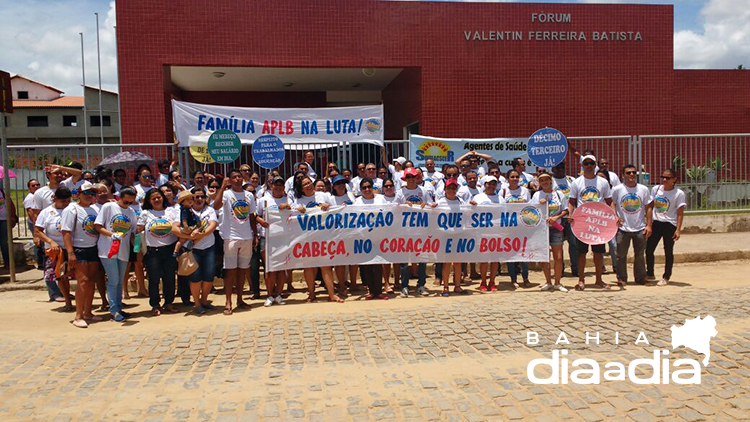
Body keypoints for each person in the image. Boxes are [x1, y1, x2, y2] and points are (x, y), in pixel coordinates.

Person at [293, 176, 344, 303]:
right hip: (306, 237)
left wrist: (328, 206)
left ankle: (331, 294)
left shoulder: (323, 195)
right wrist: (297, 210)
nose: (308, 185)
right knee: (308, 267)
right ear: (301, 188)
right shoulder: (298, 200)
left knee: (326, 266)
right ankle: (311, 294)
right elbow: (292, 214)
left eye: (309, 182)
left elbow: (334, 210)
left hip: (324, 236)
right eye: (305, 184)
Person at [214, 169, 258, 314]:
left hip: (247, 236)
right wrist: (222, 187)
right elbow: (216, 205)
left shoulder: (249, 195)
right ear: (230, 180)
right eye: (234, 177)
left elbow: (252, 216)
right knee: (230, 271)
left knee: (242, 270)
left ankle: (240, 299)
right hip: (231, 236)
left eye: (239, 176)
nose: (238, 179)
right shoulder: (226, 194)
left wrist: (255, 234)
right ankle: (228, 301)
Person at [568, 155, 613, 291]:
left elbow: (609, 201)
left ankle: (599, 280)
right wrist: (570, 214)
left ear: (595, 165)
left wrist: (614, 216)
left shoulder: (603, 182)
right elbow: (572, 201)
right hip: (582, 222)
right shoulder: (577, 182)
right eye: (586, 163)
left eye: (591, 163)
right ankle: (581, 280)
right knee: (581, 253)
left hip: (598, 222)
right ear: (582, 165)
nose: (588, 165)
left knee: (598, 253)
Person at [61, 182, 102, 327]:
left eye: (92, 193)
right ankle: (78, 315)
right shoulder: (71, 209)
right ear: (78, 194)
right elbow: (65, 232)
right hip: (79, 248)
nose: (89, 196)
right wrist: (70, 253)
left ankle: (88, 312)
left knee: (91, 281)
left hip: (93, 248)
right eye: (86, 193)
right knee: (82, 281)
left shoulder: (94, 210)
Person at [95, 187, 137, 322]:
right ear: (119, 198)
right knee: (113, 280)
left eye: (131, 202)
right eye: (126, 202)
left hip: (123, 250)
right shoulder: (108, 207)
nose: (128, 205)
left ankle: (118, 307)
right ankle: (113, 310)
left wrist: (137, 246)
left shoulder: (130, 212)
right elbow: (98, 226)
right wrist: (112, 235)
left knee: (120, 280)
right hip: (107, 249)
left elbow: (133, 233)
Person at [395, 167, 437, 297]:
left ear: (416, 178)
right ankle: (405, 286)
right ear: (405, 179)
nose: (411, 180)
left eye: (413, 177)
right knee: (404, 260)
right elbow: (394, 208)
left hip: (421, 230)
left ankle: (421, 284)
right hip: (405, 230)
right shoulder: (400, 192)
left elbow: (431, 205)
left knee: (422, 258)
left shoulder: (423, 191)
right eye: (408, 177)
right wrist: (402, 205)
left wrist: (428, 205)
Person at [138, 189, 179, 316]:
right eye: (153, 198)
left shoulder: (171, 211)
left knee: (170, 278)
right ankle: (155, 305)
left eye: (159, 197)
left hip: (169, 249)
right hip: (152, 251)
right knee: (154, 279)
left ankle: (168, 303)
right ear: (149, 201)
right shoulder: (145, 213)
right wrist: (136, 251)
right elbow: (138, 232)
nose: (157, 200)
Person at [611, 164, 652, 288]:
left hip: (639, 227)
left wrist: (649, 225)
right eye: (628, 173)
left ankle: (640, 277)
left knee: (639, 254)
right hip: (623, 228)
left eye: (634, 172)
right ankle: (622, 278)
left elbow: (648, 207)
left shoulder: (643, 189)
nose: (631, 175)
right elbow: (611, 204)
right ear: (623, 175)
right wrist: (615, 217)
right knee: (621, 255)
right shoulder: (617, 189)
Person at [35, 187, 74, 311]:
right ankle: (68, 301)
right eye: (63, 201)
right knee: (61, 276)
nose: (66, 204)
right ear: (55, 199)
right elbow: (38, 231)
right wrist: (51, 242)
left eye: (68, 201)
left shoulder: (73, 209)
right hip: (56, 251)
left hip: (73, 247)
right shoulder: (46, 212)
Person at [180, 187, 219, 313]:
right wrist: (190, 236)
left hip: (209, 247)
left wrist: (200, 235)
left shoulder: (210, 210)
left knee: (209, 276)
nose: (200, 199)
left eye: (202, 196)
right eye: (196, 197)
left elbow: (213, 224)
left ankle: (204, 300)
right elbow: (177, 228)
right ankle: (197, 304)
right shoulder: (184, 211)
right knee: (195, 278)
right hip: (192, 249)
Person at [646, 169, 686, 286]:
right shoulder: (656, 189)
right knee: (649, 249)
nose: (664, 180)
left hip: (670, 224)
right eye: (662, 177)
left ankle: (666, 276)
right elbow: (650, 206)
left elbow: (680, 213)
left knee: (668, 251)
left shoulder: (679, 193)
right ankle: (650, 273)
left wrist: (678, 229)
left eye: (668, 178)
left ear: (674, 179)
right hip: (656, 222)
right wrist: (649, 223)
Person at [255, 176, 291, 307]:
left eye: (281, 185)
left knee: (281, 268)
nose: (278, 187)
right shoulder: (263, 200)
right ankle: (270, 295)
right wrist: (261, 222)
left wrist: (288, 207)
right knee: (269, 269)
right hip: (267, 236)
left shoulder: (288, 200)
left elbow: (297, 213)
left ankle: (279, 294)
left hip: (283, 237)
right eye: (276, 185)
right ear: (271, 186)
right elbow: (255, 215)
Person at [352, 178, 388, 300]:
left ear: (373, 187)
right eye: (364, 188)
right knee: (367, 266)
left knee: (378, 265)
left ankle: (378, 291)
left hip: (379, 237)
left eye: (369, 187)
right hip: (364, 238)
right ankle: (371, 291)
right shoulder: (357, 202)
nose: (367, 189)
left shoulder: (380, 199)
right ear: (360, 189)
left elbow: (391, 210)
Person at [532, 173, 568, 292]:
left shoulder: (558, 194)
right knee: (544, 256)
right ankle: (548, 281)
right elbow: (531, 211)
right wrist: (539, 204)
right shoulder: (537, 195)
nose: (545, 182)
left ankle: (557, 282)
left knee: (558, 257)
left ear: (550, 180)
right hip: (542, 229)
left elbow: (565, 210)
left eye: (546, 179)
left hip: (556, 228)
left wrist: (556, 217)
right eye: (542, 180)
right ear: (539, 183)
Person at [437, 178, 468, 296]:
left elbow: (468, 212)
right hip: (445, 235)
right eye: (449, 188)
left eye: (454, 188)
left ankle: (457, 286)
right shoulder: (440, 202)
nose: (451, 190)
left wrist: (473, 206)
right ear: (445, 189)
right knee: (446, 262)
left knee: (458, 262)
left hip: (458, 235)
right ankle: (445, 287)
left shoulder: (461, 202)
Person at [473, 175, 504, 291]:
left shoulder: (501, 199)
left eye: (494, 184)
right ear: (484, 184)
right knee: (484, 258)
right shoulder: (478, 197)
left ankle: (492, 281)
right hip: (482, 232)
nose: (491, 186)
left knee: (495, 258)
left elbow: (505, 215)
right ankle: (483, 282)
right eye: (489, 183)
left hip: (497, 232)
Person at [504, 169, 531, 288]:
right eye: (512, 177)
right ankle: (513, 278)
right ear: (507, 179)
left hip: (523, 226)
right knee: (511, 254)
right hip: (509, 226)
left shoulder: (525, 191)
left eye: (516, 177)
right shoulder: (503, 191)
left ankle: (525, 277)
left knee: (524, 252)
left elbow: (530, 206)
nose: (515, 179)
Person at [330, 175, 357, 296]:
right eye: (338, 183)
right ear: (334, 186)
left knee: (354, 260)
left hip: (352, 231)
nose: (341, 185)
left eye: (343, 183)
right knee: (339, 261)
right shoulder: (330, 199)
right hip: (337, 234)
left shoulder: (350, 195)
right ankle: (341, 285)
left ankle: (353, 283)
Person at [551, 162, 578, 277]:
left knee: (573, 244)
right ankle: (559, 269)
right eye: (558, 167)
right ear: (553, 169)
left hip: (571, 217)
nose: (560, 169)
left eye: (562, 167)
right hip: (557, 218)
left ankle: (575, 269)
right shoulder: (550, 181)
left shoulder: (571, 180)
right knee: (558, 245)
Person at [597, 169, 618, 273]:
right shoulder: (595, 191)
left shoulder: (614, 190)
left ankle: (616, 267)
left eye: (602, 177)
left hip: (610, 222)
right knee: (599, 246)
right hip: (597, 221)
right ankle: (601, 267)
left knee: (613, 245)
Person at [379, 178, 398, 292]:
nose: (388, 188)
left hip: (397, 231)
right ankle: (386, 283)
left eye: (390, 185)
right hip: (384, 232)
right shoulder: (380, 198)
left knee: (397, 259)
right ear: (383, 188)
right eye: (386, 186)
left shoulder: (399, 197)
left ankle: (397, 282)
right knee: (385, 260)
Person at [24, 179, 47, 271]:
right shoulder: (30, 198)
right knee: (39, 243)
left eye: (37, 184)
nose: (36, 186)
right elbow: (31, 213)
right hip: (34, 222)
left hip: (40, 222)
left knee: (42, 243)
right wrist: (36, 226)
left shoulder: (38, 195)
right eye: (33, 185)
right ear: (29, 188)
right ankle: (40, 262)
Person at [0, 185, 17, 270]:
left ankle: (7, 263)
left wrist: (13, 217)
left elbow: (11, 205)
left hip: (3, 220)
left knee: (4, 243)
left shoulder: (3, 192)